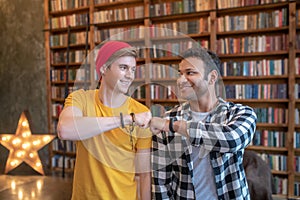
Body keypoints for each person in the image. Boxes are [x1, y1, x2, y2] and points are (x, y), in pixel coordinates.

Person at [150, 47, 257, 199]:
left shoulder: (240, 113)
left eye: (190, 73)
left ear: (212, 77)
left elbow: (232, 140)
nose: (180, 80)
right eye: (180, 73)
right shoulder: (168, 118)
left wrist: (173, 126)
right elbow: (161, 180)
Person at [57, 41, 152, 200]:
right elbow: (65, 130)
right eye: (123, 68)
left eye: (133, 69)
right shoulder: (80, 99)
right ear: (103, 68)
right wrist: (126, 120)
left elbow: (144, 174)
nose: (130, 75)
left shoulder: (141, 112)